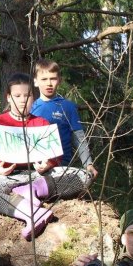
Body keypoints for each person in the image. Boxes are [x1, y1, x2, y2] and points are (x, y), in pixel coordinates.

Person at [0, 72, 88, 240]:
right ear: (9, 97)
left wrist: (48, 164)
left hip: (40, 176)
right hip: (7, 178)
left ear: (33, 97)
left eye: (27, 95)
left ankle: (33, 190)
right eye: (17, 95)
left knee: (83, 176)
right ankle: (31, 212)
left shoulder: (42, 123)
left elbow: (56, 155)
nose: (23, 100)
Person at [30, 58, 97, 186]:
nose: (49, 83)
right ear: (35, 82)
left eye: (53, 78)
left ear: (59, 80)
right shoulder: (30, 108)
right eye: (44, 79)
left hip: (61, 167)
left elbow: (79, 138)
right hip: (34, 167)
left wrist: (88, 164)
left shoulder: (68, 107)